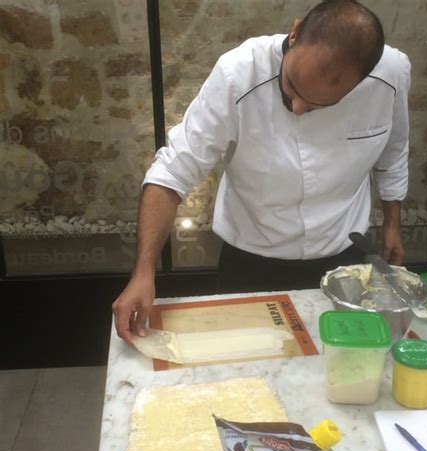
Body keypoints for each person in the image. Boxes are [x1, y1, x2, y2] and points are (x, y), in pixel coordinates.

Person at [113, 0, 411, 343]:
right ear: (295, 33)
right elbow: (172, 172)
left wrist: (392, 223)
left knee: (347, 371)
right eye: (292, 85)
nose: (298, 107)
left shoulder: (393, 74)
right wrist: (144, 271)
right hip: (252, 262)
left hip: (345, 259)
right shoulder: (238, 74)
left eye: (320, 104)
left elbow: (394, 149)